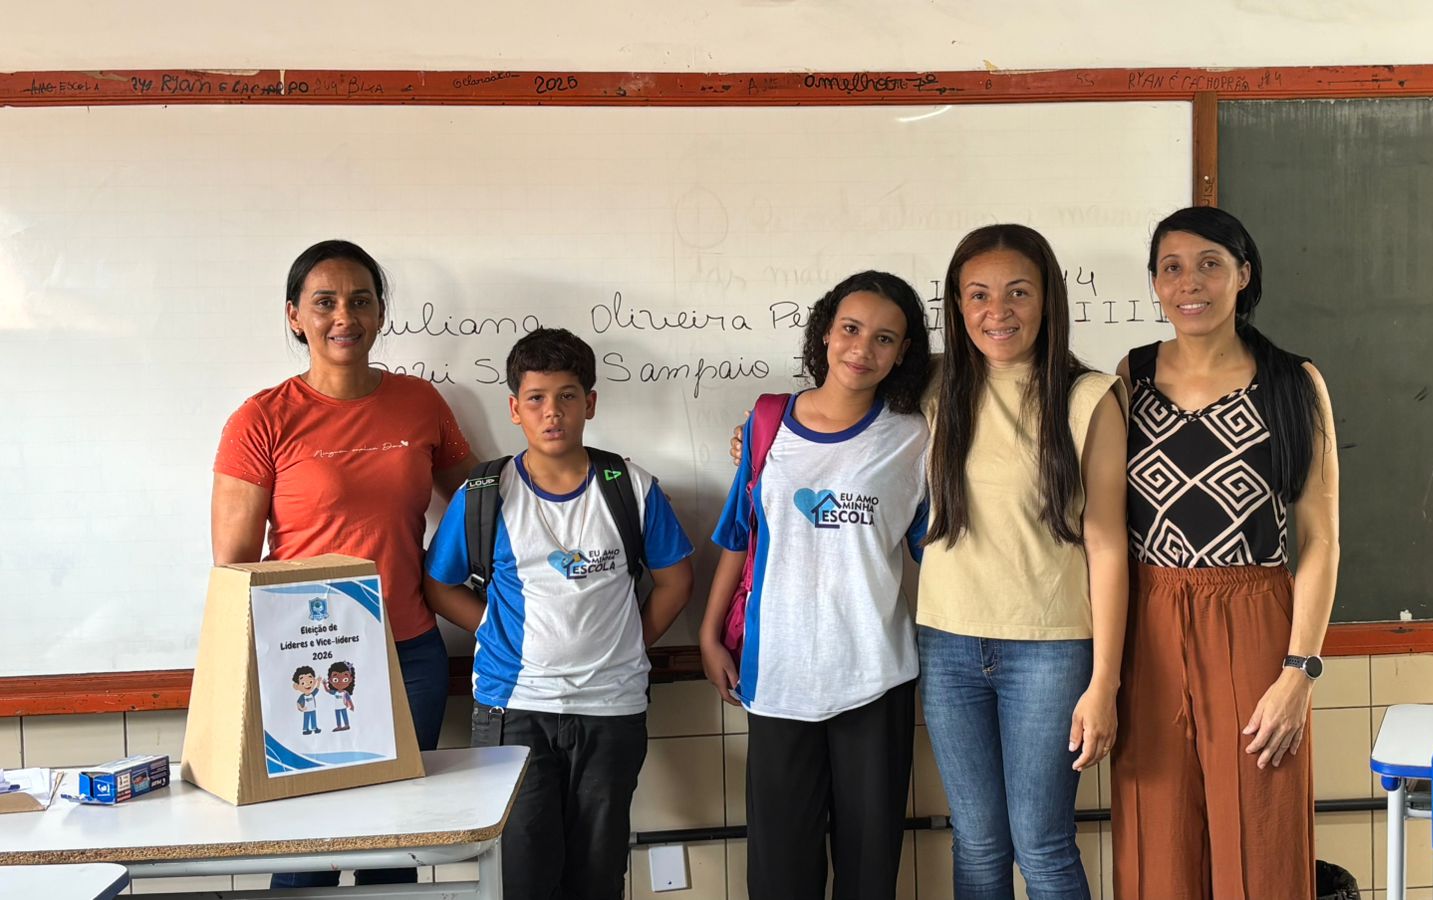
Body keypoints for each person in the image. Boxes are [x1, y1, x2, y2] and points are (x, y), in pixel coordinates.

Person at [211, 239, 475, 889]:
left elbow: (480, 507)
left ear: (380, 313)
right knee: (308, 857)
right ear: (295, 316)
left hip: (409, 653)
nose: (344, 317)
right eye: (324, 302)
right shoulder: (261, 420)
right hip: (304, 662)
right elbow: (233, 564)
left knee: (396, 854)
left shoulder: (421, 404)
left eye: (360, 301)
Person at [1110, 205, 1340, 900]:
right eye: (1172, 267)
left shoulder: (1293, 382)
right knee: (1156, 841)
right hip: (1148, 619)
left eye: (1210, 264)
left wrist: (1299, 672)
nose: (1191, 283)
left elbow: (1320, 538)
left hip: (1253, 616)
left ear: (1243, 274)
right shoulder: (1131, 376)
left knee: (1262, 839)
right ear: (1155, 283)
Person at [423, 327, 695, 900]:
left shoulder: (630, 486)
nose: (553, 412)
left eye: (568, 396)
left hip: (611, 710)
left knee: (597, 875)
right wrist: (492, 628)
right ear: (514, 408)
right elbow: (439, 585)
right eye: (537, 398)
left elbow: (676, 580)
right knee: (522, 874)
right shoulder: (485, 493)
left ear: (589, 403)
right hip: (513, 710)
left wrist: (631, 641)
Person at [699, 271, 933, 900]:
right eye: (851, 329)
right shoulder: (767, 421)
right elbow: (739, 535)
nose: (862, 349)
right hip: (779, 676)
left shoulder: (916, 436)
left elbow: (936, 551)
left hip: (875, 675)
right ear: (826, 332)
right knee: (781, 873)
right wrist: (708, 634)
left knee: (869, 871)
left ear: (903, 353)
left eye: (884, 338)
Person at [917, 224, 1129, 900]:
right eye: (978, 295)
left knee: (1042, 843)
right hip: (947, 643)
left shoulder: (1088, 396)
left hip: (1051, 650)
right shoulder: (934, 387)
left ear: (1047, 300)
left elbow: (1108, 546)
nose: (997, 311)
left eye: (1018, 292)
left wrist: (1104, 683)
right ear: (957, 305)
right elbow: (841, 407)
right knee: (977, 843)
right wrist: (761, 432)